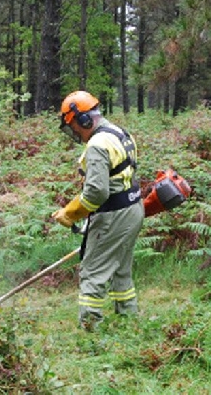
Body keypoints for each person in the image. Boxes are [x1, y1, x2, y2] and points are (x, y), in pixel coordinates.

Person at [52, 90, 144, 330]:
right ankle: (129, 321)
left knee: (93, 272)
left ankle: (91, 331)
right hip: (132, 208)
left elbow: (96, 192)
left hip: (113, 214)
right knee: (121, 269)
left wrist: (69, 214)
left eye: (74, 126)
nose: (74, 133)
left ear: (84, 119)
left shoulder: (97, 144)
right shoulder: (120, 134)